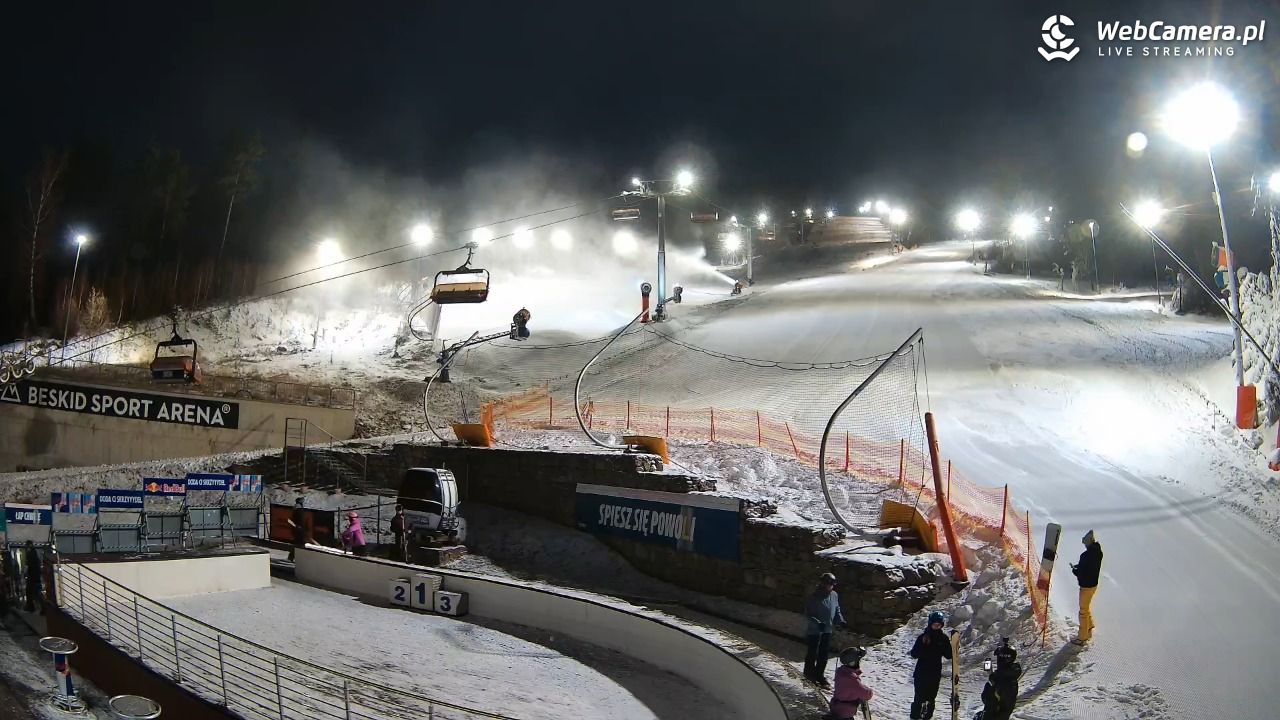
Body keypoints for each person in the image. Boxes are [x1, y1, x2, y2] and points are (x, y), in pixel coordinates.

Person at [803, 572, 846, 686]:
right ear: (822, 583)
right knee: (812, 653)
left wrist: (840, 620)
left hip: (827, 630)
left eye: (832, 584)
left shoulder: (834, 595)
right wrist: (817, 623)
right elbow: (808, 614)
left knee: (823, 655)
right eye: (828, 584)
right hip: (815, 631)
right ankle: (809, 674)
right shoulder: (814, 596)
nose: (830, 587)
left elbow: (837, 609)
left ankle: (819, 675)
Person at [909, 610, 952, 719]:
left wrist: (953, 648)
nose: (936, 626)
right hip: (921, 673)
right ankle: (915, 717)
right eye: (934, 624)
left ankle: (927, 717)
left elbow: (948, 655)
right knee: (919, 698)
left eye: (939, 625)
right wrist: (923, 646)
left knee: (931, 699)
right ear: (930, 624)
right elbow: (914, 654)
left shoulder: (943, 639)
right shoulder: (923, 637)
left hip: (934, 673)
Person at [974, 638, 1022, 720]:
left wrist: (991, 685)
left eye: (999, 658)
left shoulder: (1004, 681)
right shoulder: (1009, 676)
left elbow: (988, 700)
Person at [1071, 529, 1104, 645]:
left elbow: (1081, 573)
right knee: (1086, 606)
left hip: (1086, 587)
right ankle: (1089, 626)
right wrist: (1080, 567)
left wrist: (1075, 570)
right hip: (1094, 585)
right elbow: (1090, 566)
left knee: (1083, 611)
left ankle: (1082, 637)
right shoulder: (1098, 553)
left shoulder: (1085, 556)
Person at [826, 646, 873, 719]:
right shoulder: (851, 678)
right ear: (853, 663)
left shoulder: (841, 671)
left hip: (837, 707)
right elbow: (866, 694)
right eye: (858, 660)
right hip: (844, 713)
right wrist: (870, 691)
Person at [23, 541, 42, 613]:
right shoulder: (35, 554)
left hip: (31, 577)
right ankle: (43, 608)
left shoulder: (29, 554)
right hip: (37, 576)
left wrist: (25, 573)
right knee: (38, 592)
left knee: (29, 592)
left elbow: (27, 565)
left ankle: (30, 607)